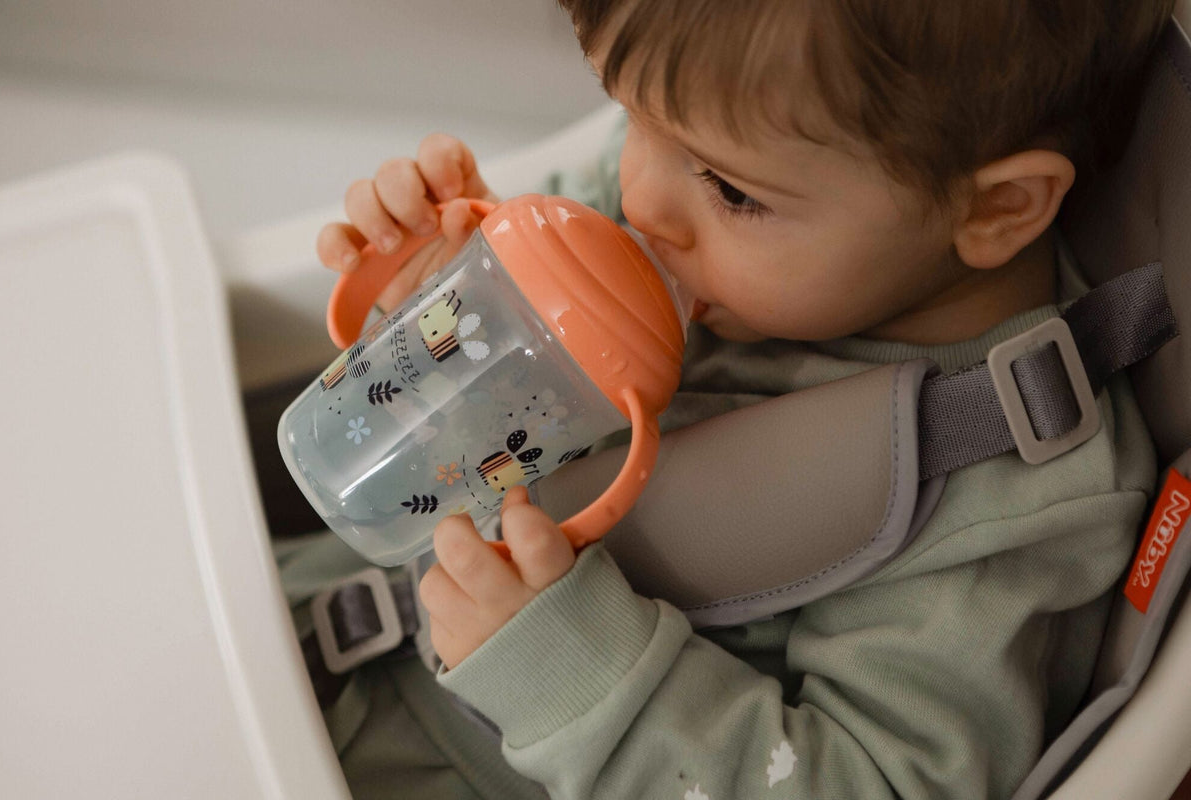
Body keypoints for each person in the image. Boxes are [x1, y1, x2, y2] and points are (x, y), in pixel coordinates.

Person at [310, 1, 1176, 797]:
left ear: (996, 208)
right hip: (342, 598)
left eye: (729, 189)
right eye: (631, 119)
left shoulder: (1001, 507)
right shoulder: (719, 206)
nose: (641, 200)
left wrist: (574, 677)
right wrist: (446, 302)